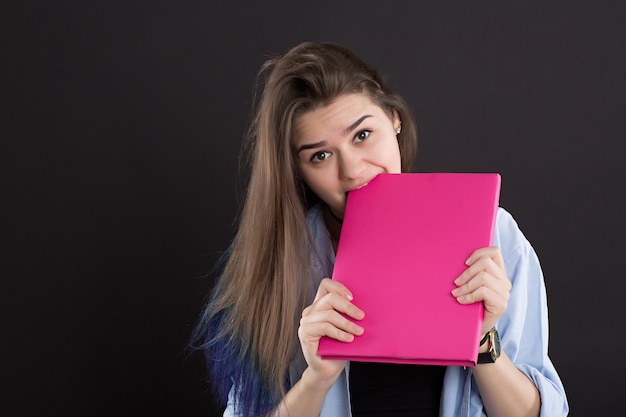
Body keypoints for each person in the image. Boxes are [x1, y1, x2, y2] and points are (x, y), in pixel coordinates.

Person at [192, 41, 568, 417]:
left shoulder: (494, 236)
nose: (352, 171)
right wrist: (316, 378)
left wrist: (483, 340)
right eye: (320, 156)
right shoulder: (284, 262)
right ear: (298, 170)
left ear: (394, 119)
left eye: (362, 135)